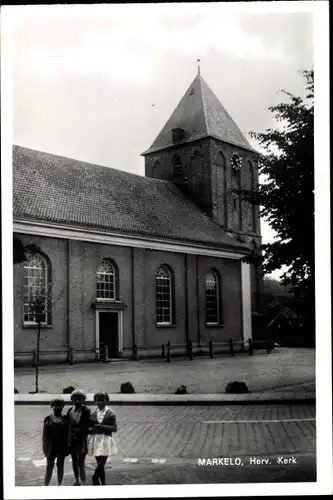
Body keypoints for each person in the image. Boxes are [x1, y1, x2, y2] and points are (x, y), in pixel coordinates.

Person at [87, 392, 117, 485]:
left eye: (102, 400)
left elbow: (114, 428)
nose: (99, 402)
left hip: (106, 439)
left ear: (106, 401)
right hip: (95, 440)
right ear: (95, 402)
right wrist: (91, 429)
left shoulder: (110, 413)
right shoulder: (93, 414)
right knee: (100, 463)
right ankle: (102, 483)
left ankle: (95, 476)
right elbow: (89, 428)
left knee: (102, 462)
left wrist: (102, 427)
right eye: (97, 401)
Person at [42, 398, 71, 486]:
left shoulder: (66, 420)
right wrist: (45, 449)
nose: (57, 407)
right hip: (51, 447)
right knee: (49, 467)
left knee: (60, 466)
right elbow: (44, 436)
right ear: (52, 406)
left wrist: (68, 447)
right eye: (55, 405)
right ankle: (45, 485)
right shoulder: (48, 419)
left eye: (59, 405)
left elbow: (68, 434)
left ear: (63, 407)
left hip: (61, 447)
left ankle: (59, 484)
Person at [67, 389, 91, 485]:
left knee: (81, 461)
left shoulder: (86, 411)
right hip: (72, 440)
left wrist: (79, 432)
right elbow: (67, 425)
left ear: (83, 400)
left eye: (79, 399)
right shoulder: (70, 411)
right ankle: (77, 479)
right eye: (75, 399)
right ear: (72, 400)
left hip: (82, 439)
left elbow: (86, 425)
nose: (77, 401)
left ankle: (83, 480)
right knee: (74, 460)